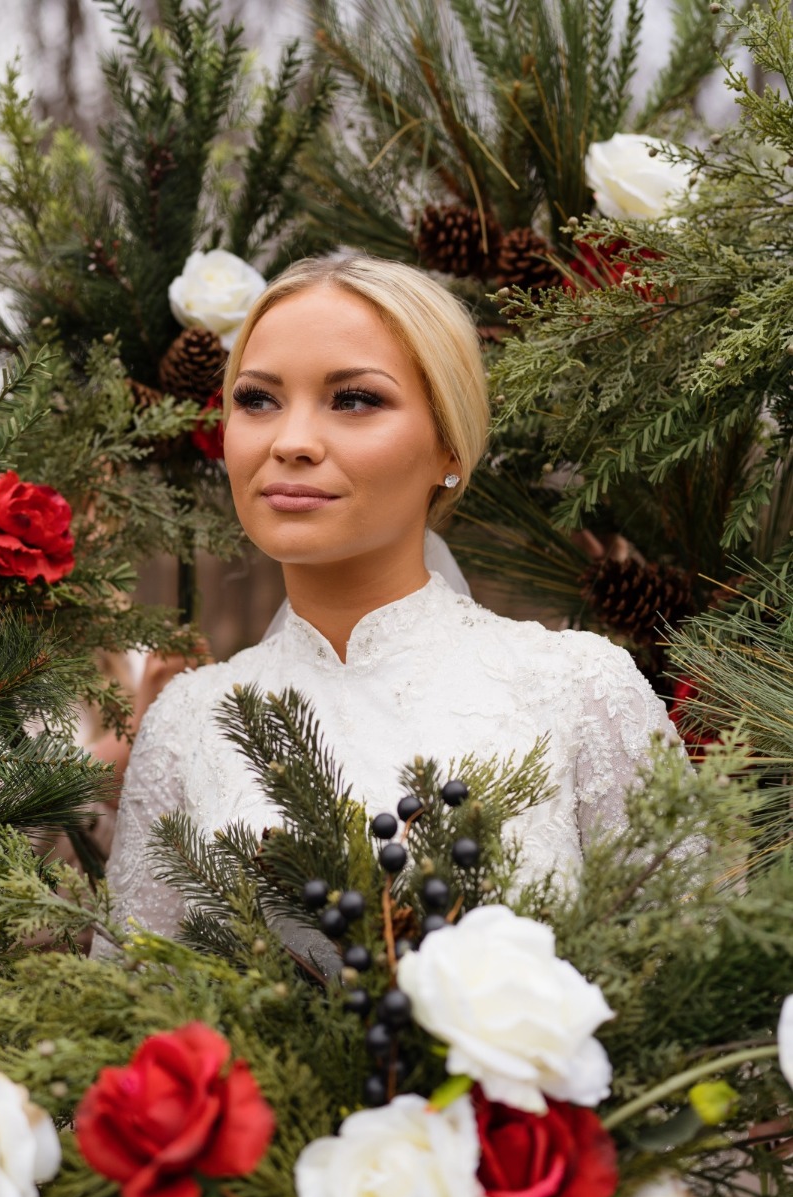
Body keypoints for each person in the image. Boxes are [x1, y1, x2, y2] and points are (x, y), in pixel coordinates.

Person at [101, 254, 676, 940]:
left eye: (354, 399)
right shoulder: (186, 724)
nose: (292, 442)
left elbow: (695, 998)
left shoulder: (580, 689)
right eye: (257, 399)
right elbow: (132, 1021)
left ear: (448, 447)